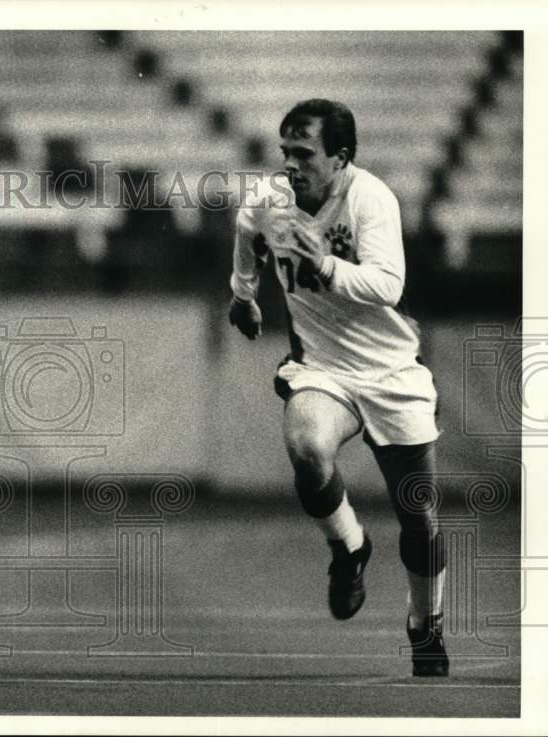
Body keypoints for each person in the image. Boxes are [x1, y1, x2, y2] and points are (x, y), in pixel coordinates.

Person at [228, 99, 448, 677]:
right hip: (323, 369)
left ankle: (425, 623)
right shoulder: (269, 202)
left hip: (393, 372)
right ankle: (349, 547)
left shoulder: (370, 199)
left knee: (420, 519)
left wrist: (324, 266)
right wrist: (243, 293)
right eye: (286, 153)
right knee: (306, 446)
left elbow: (387, 284)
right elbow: (246, 233)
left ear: (341, 159)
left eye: (304, 154)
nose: (291, 165)